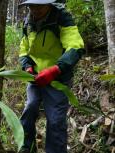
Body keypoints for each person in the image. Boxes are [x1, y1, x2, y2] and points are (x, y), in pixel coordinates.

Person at [18, 0, 85, 153]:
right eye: (31, 6)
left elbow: (75, 46)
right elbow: (23, 49)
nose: (35, 10)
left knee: (55, 120)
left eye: (39, 6)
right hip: (35, 77)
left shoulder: (61, 17)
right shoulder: (28, 22)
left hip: (57, 78)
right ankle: (25, 147)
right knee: (29, 108)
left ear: (49, 4)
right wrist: (27, 65)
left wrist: (56, 69)